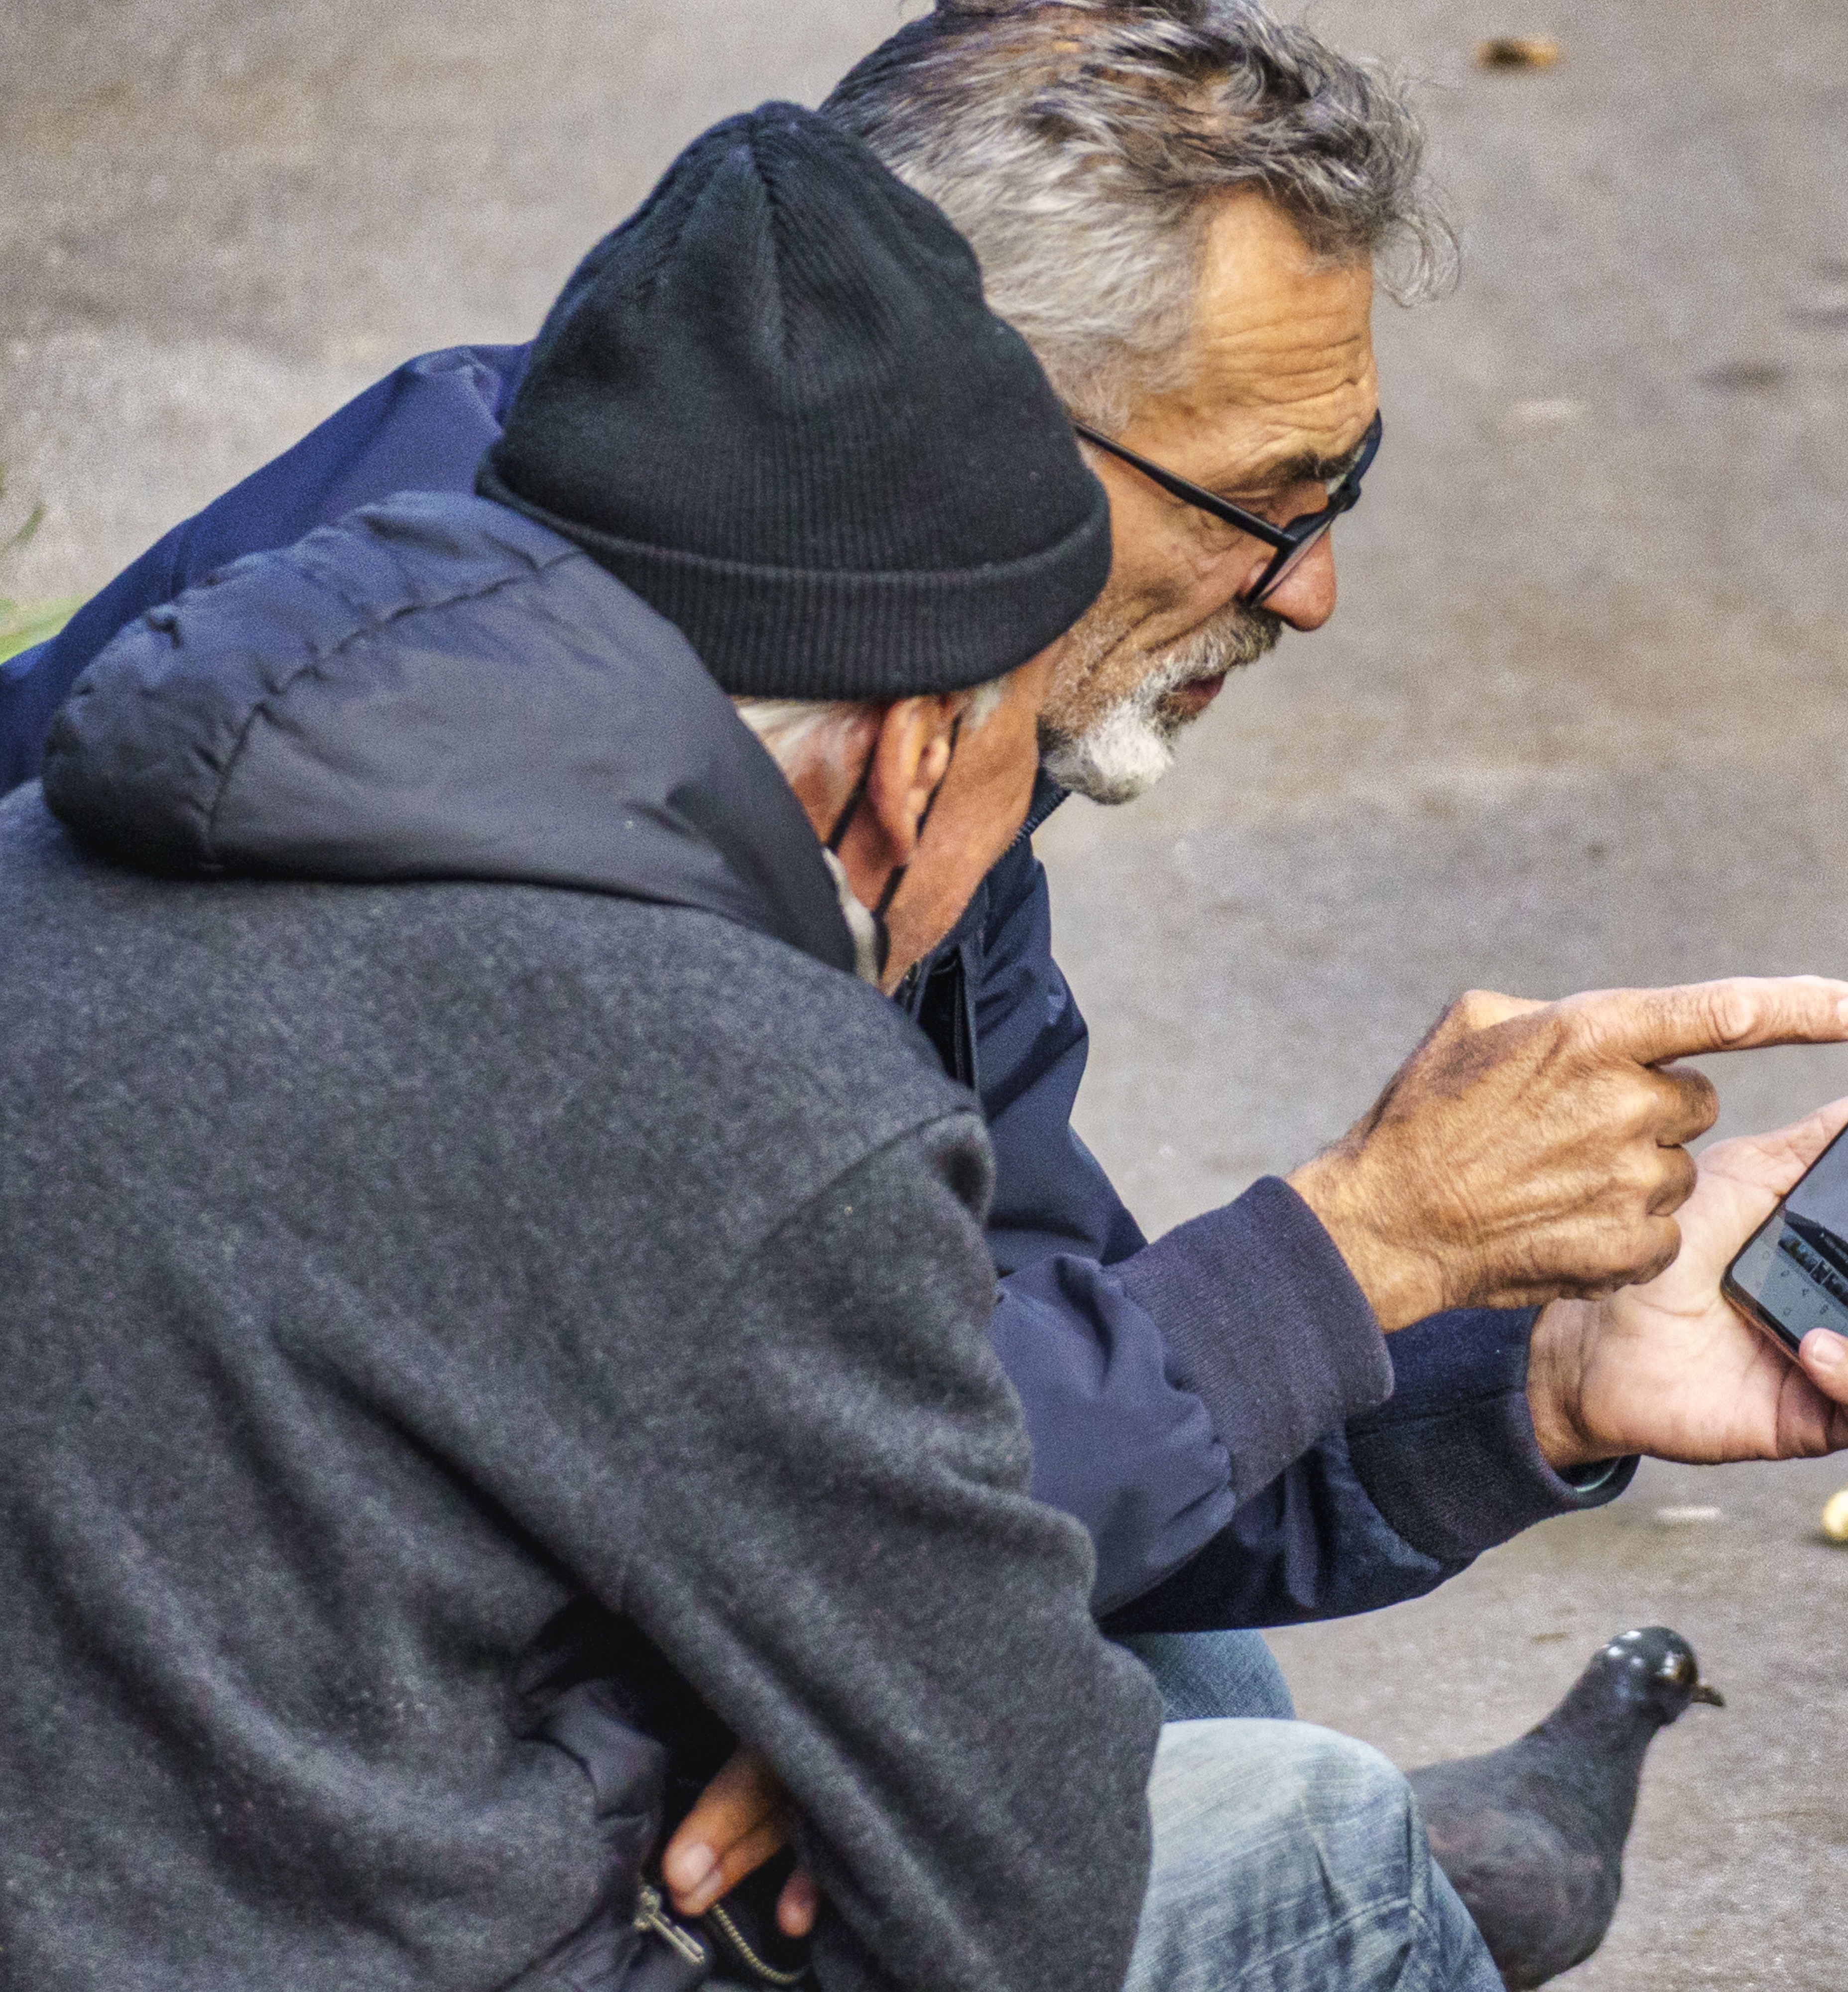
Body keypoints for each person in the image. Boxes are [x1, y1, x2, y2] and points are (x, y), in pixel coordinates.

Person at [0, 104, 1165, 1991]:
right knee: (1318, 1842)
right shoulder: (745, 1096)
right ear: (919, 753)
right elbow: (1028, 1907)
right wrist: (679, 1738)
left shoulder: (53, 829)